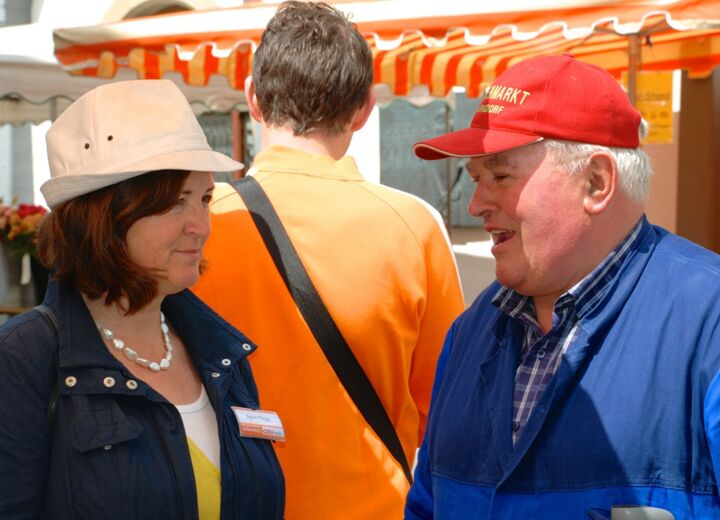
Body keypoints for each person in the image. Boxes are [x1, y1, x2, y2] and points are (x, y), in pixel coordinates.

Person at [405, 54, 720, 519]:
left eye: (500, 175)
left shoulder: (707, 322)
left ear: (596, 182)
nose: (476, 204)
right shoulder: (468, 334)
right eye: (474, 179)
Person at [191, 1, 465, 518]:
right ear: (365, 107)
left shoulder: (197, 227)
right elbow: (447, 407)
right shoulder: (414, 226)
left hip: (230, 504)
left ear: (252, 98)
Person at [0, 79, 285, 519]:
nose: (201, 225)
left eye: (205, 199)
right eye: (175, 203)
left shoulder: (222, 353)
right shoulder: (25, 359)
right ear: (104, 216)